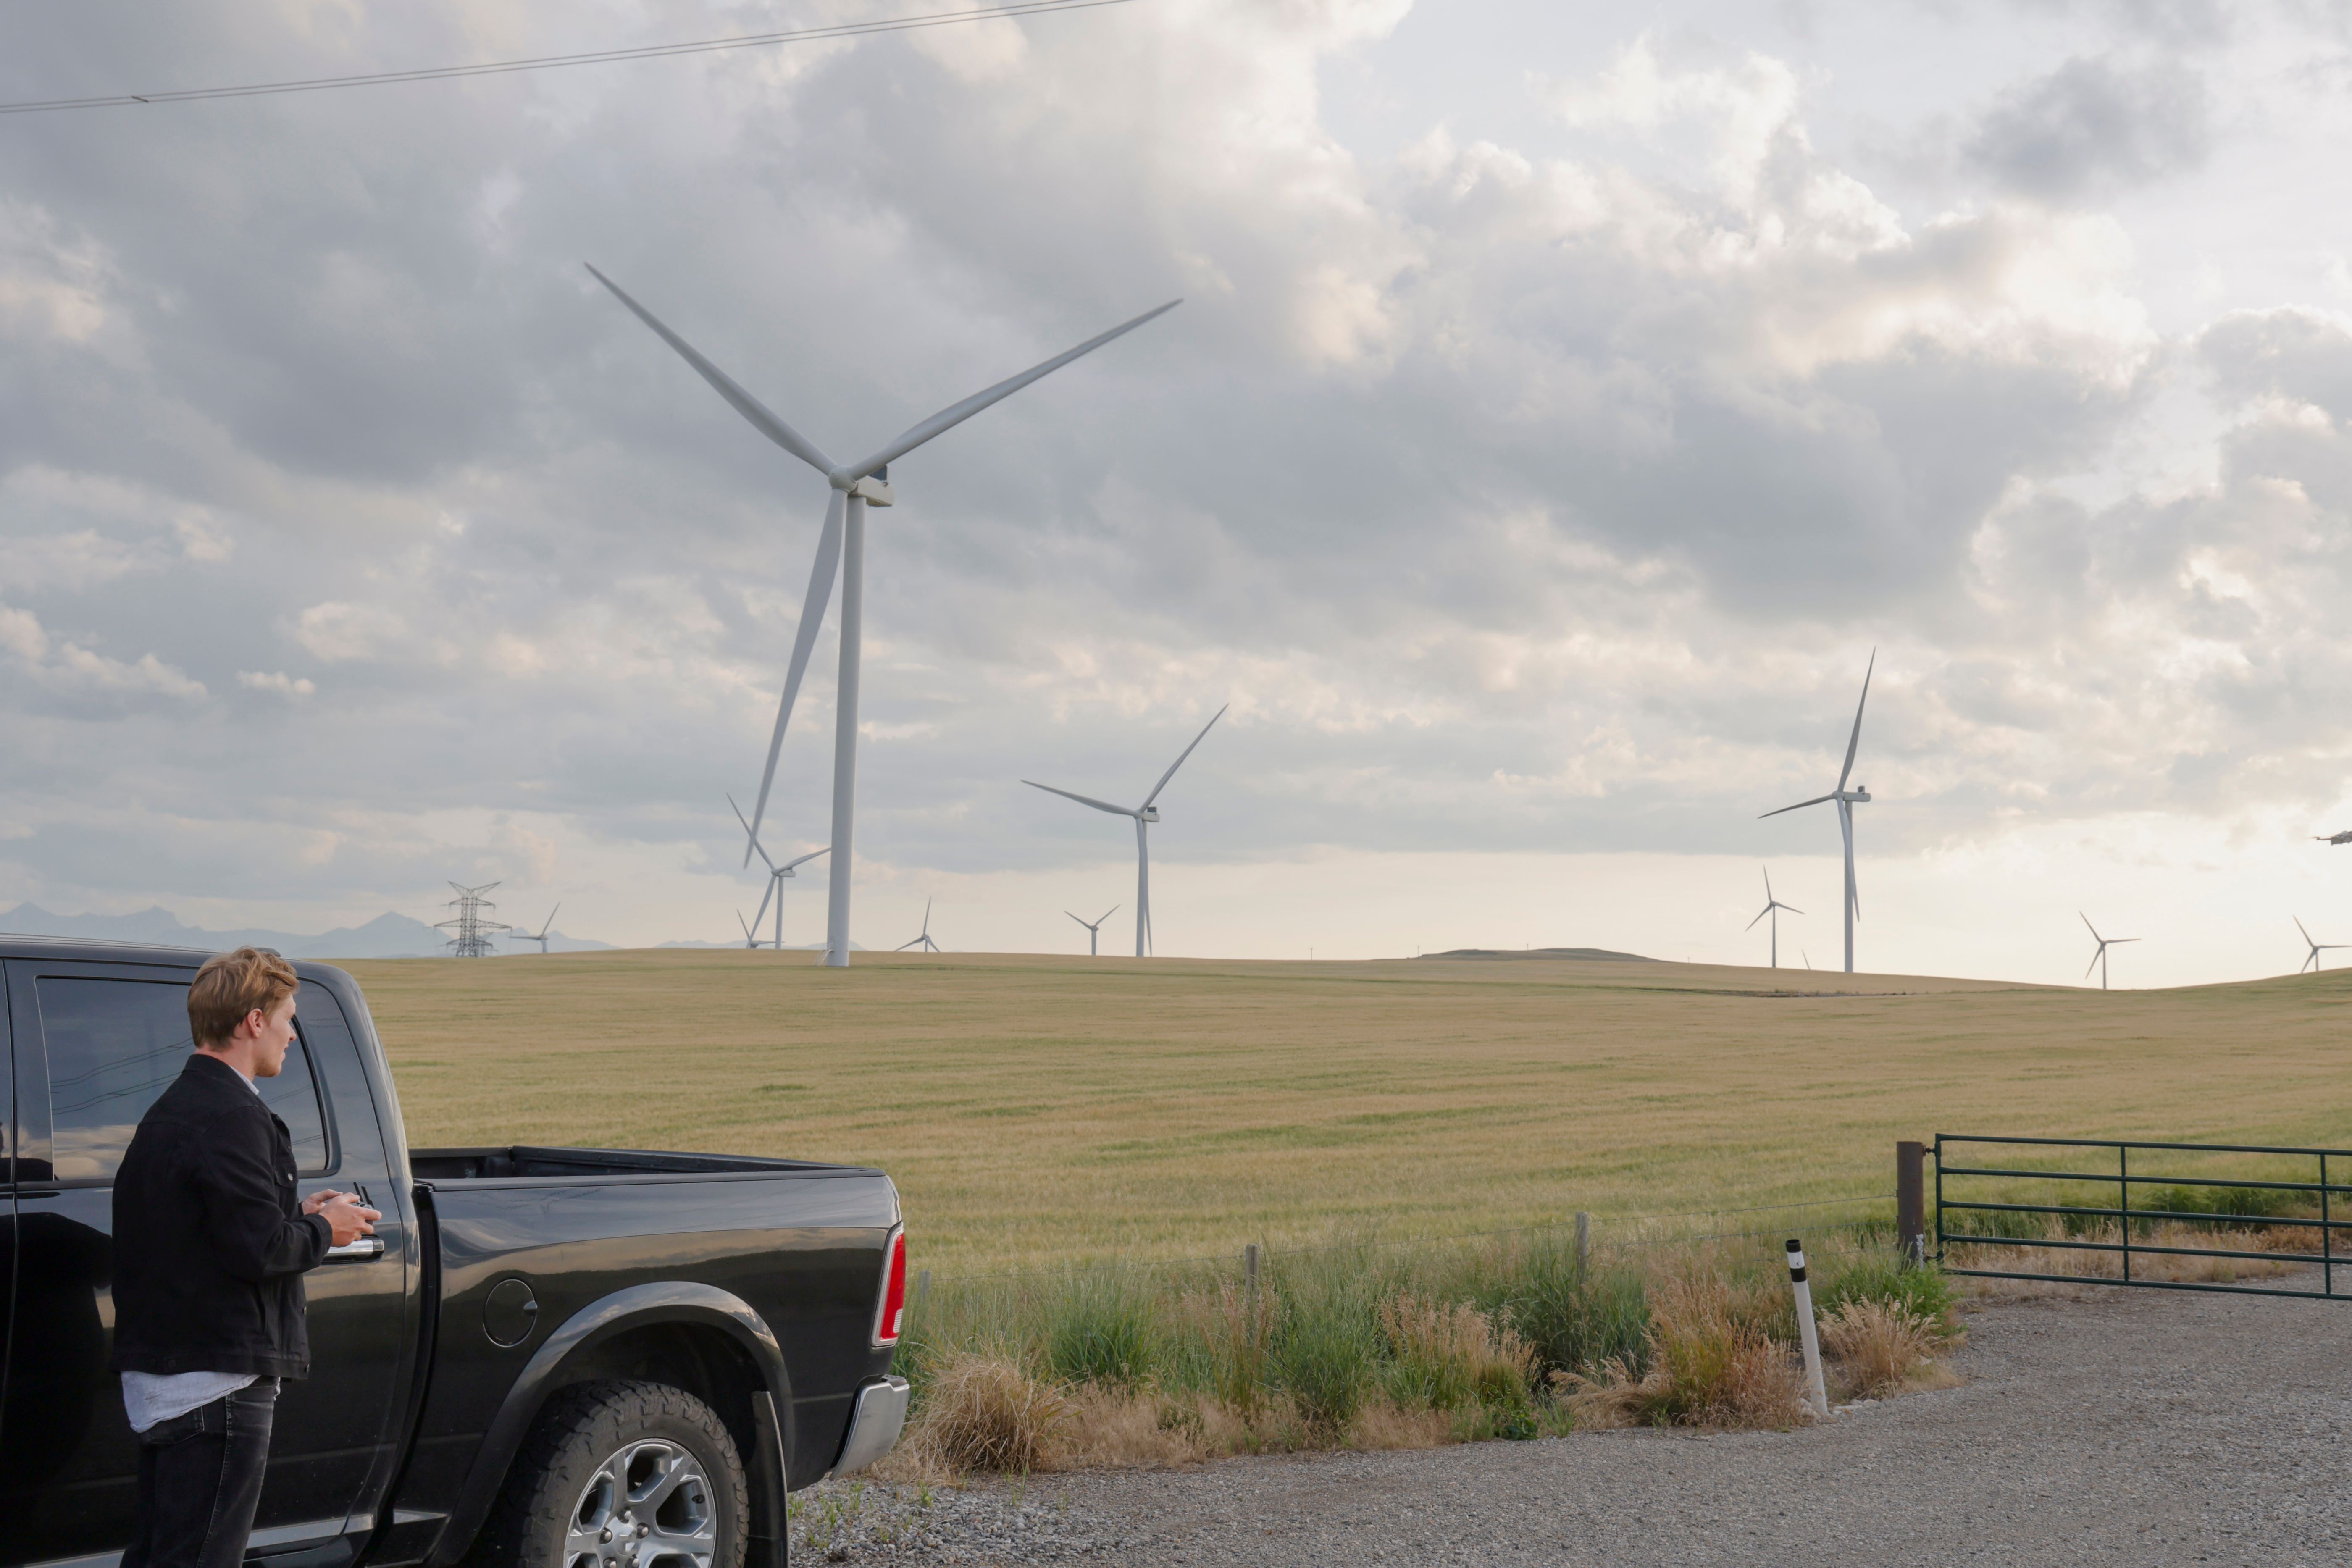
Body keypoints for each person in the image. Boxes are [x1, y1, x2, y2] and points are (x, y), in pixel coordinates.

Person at [111, 947, 381, 1568]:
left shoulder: (171, 1110)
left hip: (165, 1380)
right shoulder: (234, 1115)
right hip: (218, 1385)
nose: (292, 1031)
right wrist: (325, 1229)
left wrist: (299, 1213)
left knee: (159, 1556)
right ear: (253, 1021)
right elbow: (259, 1249)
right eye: (287, 1016)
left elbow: (207, 1233)